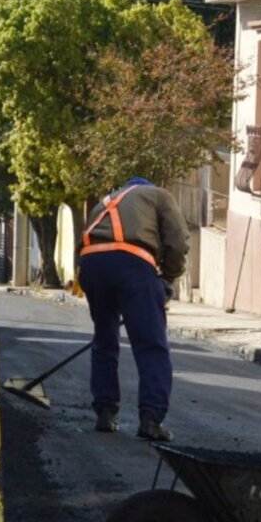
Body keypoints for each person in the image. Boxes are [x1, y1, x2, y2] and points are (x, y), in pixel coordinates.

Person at [76, 177, 191, 442]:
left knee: (104, 339)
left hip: (92, 265)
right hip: (133, 265)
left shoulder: (104, 203)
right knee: (150, 344)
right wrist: (168, 279)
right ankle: (151, 419)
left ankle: (105, 413)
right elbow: (177, 241)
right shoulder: (159, 195)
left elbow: (85, 244)